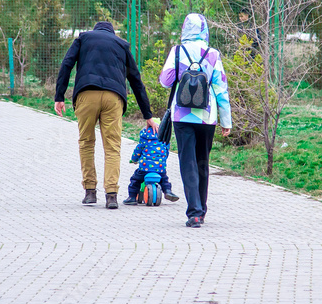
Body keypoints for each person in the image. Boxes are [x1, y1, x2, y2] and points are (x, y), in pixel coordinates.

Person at [54, 21, 157, 209]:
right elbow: (135, 79)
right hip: (113, 96)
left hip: (87, 94)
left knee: (86, 142)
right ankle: (111, 195)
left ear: (95, 30)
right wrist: (147, 114)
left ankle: (90, 192)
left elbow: (67, 64)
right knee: (112, 146)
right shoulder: (121, 44)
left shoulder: (83, 38)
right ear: (111, 32)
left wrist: (59, 96)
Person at [160, 13, 232, 228]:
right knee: (203, 162)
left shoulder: (177, 51)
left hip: (181, 116)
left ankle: (194, 213)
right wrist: (226, 121)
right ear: (205, 30)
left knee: (187, 163)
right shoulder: (212, 54)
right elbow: (221, 89)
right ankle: (202, 210)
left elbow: (165, 81)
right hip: (207, 117)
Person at [122, 126, 179, 205]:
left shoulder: (144, 140)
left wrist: (134, 160)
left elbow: (137, 151)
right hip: (160, 168)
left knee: (135, 180)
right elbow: (166, 153)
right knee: (164, 180)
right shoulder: (164, 141)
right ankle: (167, 191)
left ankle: (132, 197)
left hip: (144, 168)